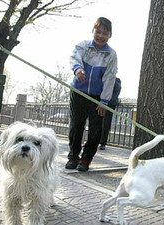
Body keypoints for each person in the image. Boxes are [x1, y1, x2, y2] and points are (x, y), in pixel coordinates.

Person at [65, 17, 118, 172]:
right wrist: (78, 69)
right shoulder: (83, 46)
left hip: (98, 98)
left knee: (96, 131)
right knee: (76, 126)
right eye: (98, 31)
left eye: (105, 33)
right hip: (78, 93)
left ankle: (86, 158)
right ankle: (73, 156)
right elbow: (75, 57)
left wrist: (104, 101)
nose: (100, 36)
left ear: (110, 35)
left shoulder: (111, 55)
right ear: (93, 31)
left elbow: (110, 77)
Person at [99, 77, 121, 150]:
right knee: (103, 123)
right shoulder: (115, 81)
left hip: (108, 104)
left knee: (105, 123)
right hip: (106, 104)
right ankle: (101, 142)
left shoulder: (114, 80)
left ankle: (102, 142)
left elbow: (115, 93)